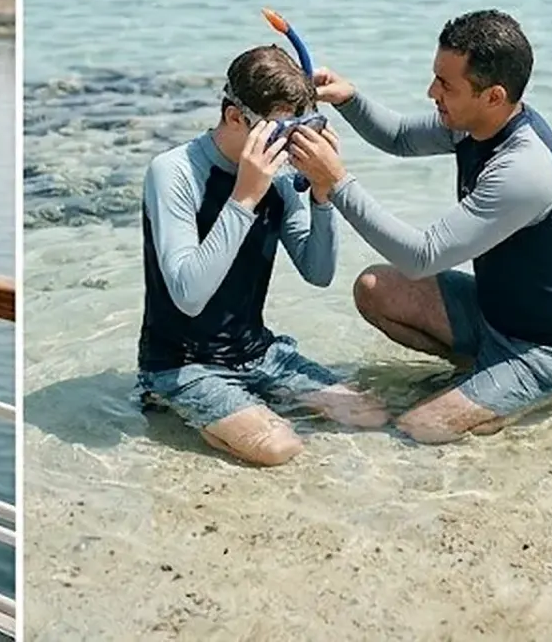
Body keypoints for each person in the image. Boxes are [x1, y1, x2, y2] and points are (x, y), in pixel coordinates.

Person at [287, 10, 552, 444]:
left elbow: (422, 257)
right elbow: (399, 136)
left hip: (551, 352)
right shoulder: (472, 124)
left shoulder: (523, 169)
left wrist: (336, 182)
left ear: (493, 96)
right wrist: (347, 98)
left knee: (419, 428)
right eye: (435, 77)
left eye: (446, 85)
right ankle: (482, 379)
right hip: (493, 315)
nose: (431, 92)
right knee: (373, 288)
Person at [137, 46, 389, 467]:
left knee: (372, 415)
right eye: (278, 132)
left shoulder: (284, 176)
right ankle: (180, 407)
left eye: (302, 128)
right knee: (279, 448)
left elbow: (319, 272)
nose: (290, 144)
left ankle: (243, 407)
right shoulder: (174, 172)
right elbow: (188, 295)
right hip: (182, 365)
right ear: (235, 117)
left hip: (258, 352)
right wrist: (245, 196)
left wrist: (322, 196)